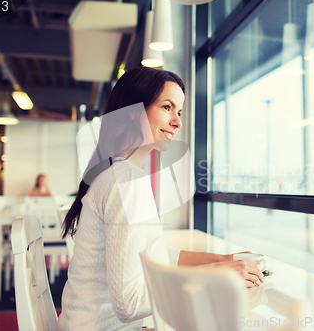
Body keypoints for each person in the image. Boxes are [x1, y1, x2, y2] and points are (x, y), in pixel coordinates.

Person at [59, 67, 263, 331]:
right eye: (167, 107)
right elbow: (129, 304)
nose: (178, 122)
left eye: (179, 112)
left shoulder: (116, 173)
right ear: (133, 111)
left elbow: (152, 257)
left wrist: (223, 260)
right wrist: (218, 274)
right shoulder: (126, 181)